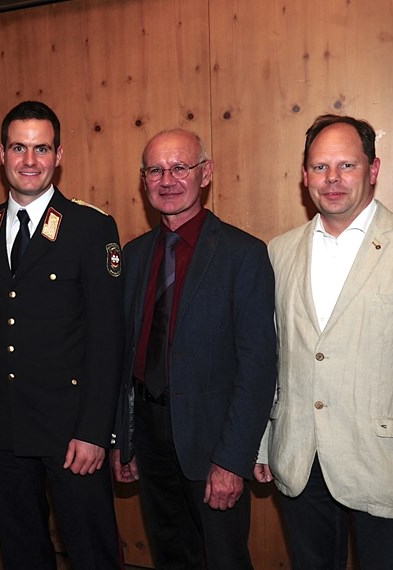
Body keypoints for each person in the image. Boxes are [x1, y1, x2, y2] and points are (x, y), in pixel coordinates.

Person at [255, 114, 393, 568]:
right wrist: (264, 442)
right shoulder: (278, 252)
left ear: (373, 170)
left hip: (390, 468)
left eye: (347, 166)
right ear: (304, 175)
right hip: (300, 461)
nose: (332, 179)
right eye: (319, 167)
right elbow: (272, 359)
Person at [0, 100, 124, 568]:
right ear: (2, 154)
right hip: (3, 425)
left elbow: (108, 340)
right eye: (19, 148)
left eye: (41, 148)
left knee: (92, 551)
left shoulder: (91, 228)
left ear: (59, 154)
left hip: (71, 429)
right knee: (22, 549)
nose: (30, 161)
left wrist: (95, 431)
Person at [110, 129, 277, 568]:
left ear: (205, 174)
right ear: (143, 180)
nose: (168, 180)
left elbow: (258, 367)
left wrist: (232, 461)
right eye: (155, 170)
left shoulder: (244, 254)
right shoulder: (134, 256)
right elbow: (124, 358)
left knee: (224, 559)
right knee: (170, 554)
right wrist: (122, 439)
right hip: (148, 433)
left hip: (212, 441)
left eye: (180, 167)